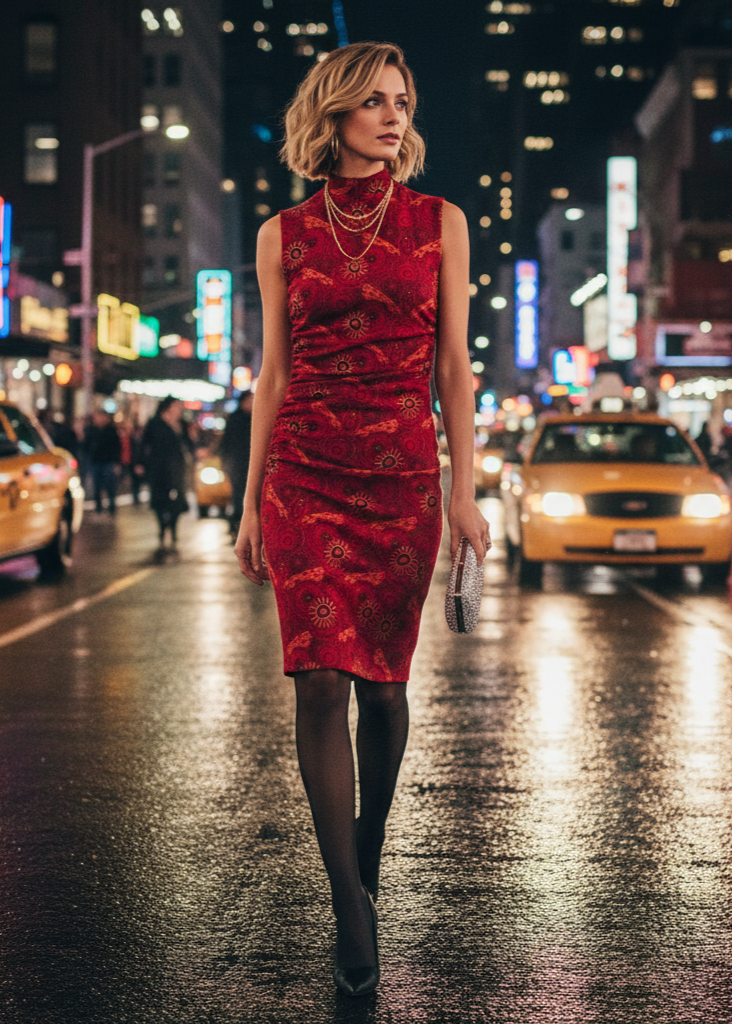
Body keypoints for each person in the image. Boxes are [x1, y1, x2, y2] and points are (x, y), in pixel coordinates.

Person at [234, 42, 490, 997]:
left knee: (382, 691)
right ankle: (350, 912)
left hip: (400, 480)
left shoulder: (441, 223)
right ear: (334, 113)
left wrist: (463, 490)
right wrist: (252, 500)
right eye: (376, 101)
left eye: (404, 101)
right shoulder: (282, 234)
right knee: (318, 687)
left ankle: (364, 863)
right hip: (303, 471)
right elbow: (274, 376)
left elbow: (455, 371)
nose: (394, 116)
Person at [141, 396, 189, 552]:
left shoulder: (181, 425)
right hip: (159, 468)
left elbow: (186, 444)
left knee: (178, 501)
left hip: (177, 469)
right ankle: (162, 527)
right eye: (176, 406)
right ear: (167, 408)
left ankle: (172, 527)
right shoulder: (155, 423)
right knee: (159, 501)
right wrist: (140, 463)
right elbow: (144, 444)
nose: (179, 409)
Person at [219, 389, 254, 538]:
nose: (253, 403)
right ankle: (235, 523)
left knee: (247, 496)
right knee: (238, 496)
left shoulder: (254, 417)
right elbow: (226, 443)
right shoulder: (235, 419)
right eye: (251, 400)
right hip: (237, 465)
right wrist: (225, 463)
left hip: (250, 465)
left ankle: (239, 524)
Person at [85, 410, 122, 514]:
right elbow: (86, 445)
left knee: (110, 487)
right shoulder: (92, 430)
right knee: (97, 488)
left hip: (108, 462)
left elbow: (117, 447)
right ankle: (98, 509)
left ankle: (112, 509)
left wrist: (116, 462)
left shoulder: (111, 430)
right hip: (95, 462)